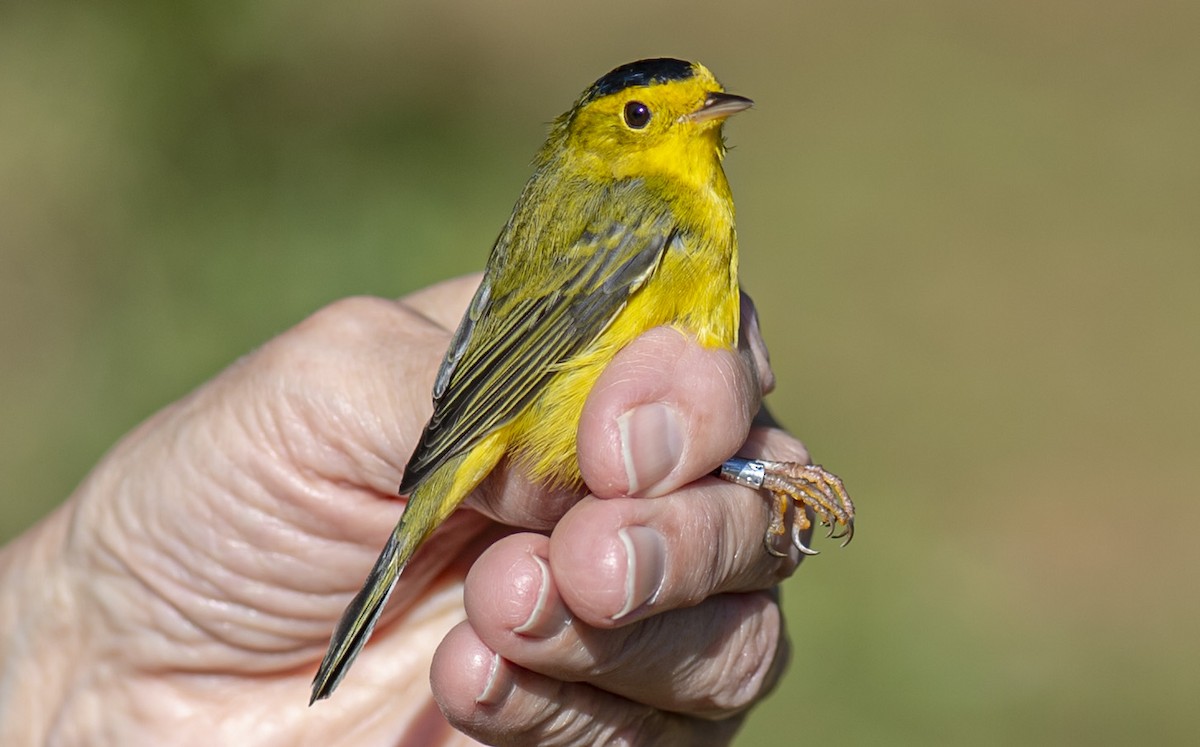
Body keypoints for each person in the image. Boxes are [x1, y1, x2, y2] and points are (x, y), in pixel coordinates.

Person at [0, 275, 816, 745]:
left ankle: (743, 468)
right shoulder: (643, 215)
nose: (704, 115)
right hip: (520, 414)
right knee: (627, 475)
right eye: (645, 115)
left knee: (636, 496)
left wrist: (78, 658)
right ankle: (746, 470)